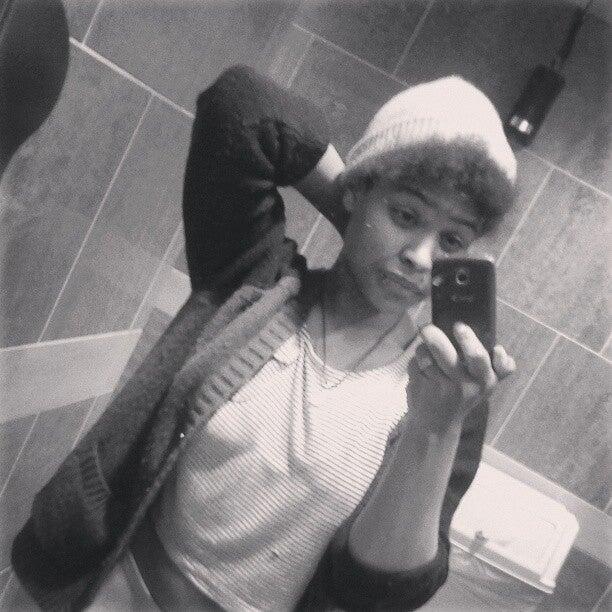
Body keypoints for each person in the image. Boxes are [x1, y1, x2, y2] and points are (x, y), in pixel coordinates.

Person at [11, 64, 517, 611]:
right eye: (405, 213)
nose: (421, 257)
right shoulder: (257, 282)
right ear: (356, 193)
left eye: (451, 241)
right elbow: (241, 107)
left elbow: (379, 595)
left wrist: (435, 426)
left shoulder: (447, 395)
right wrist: (357, 210)